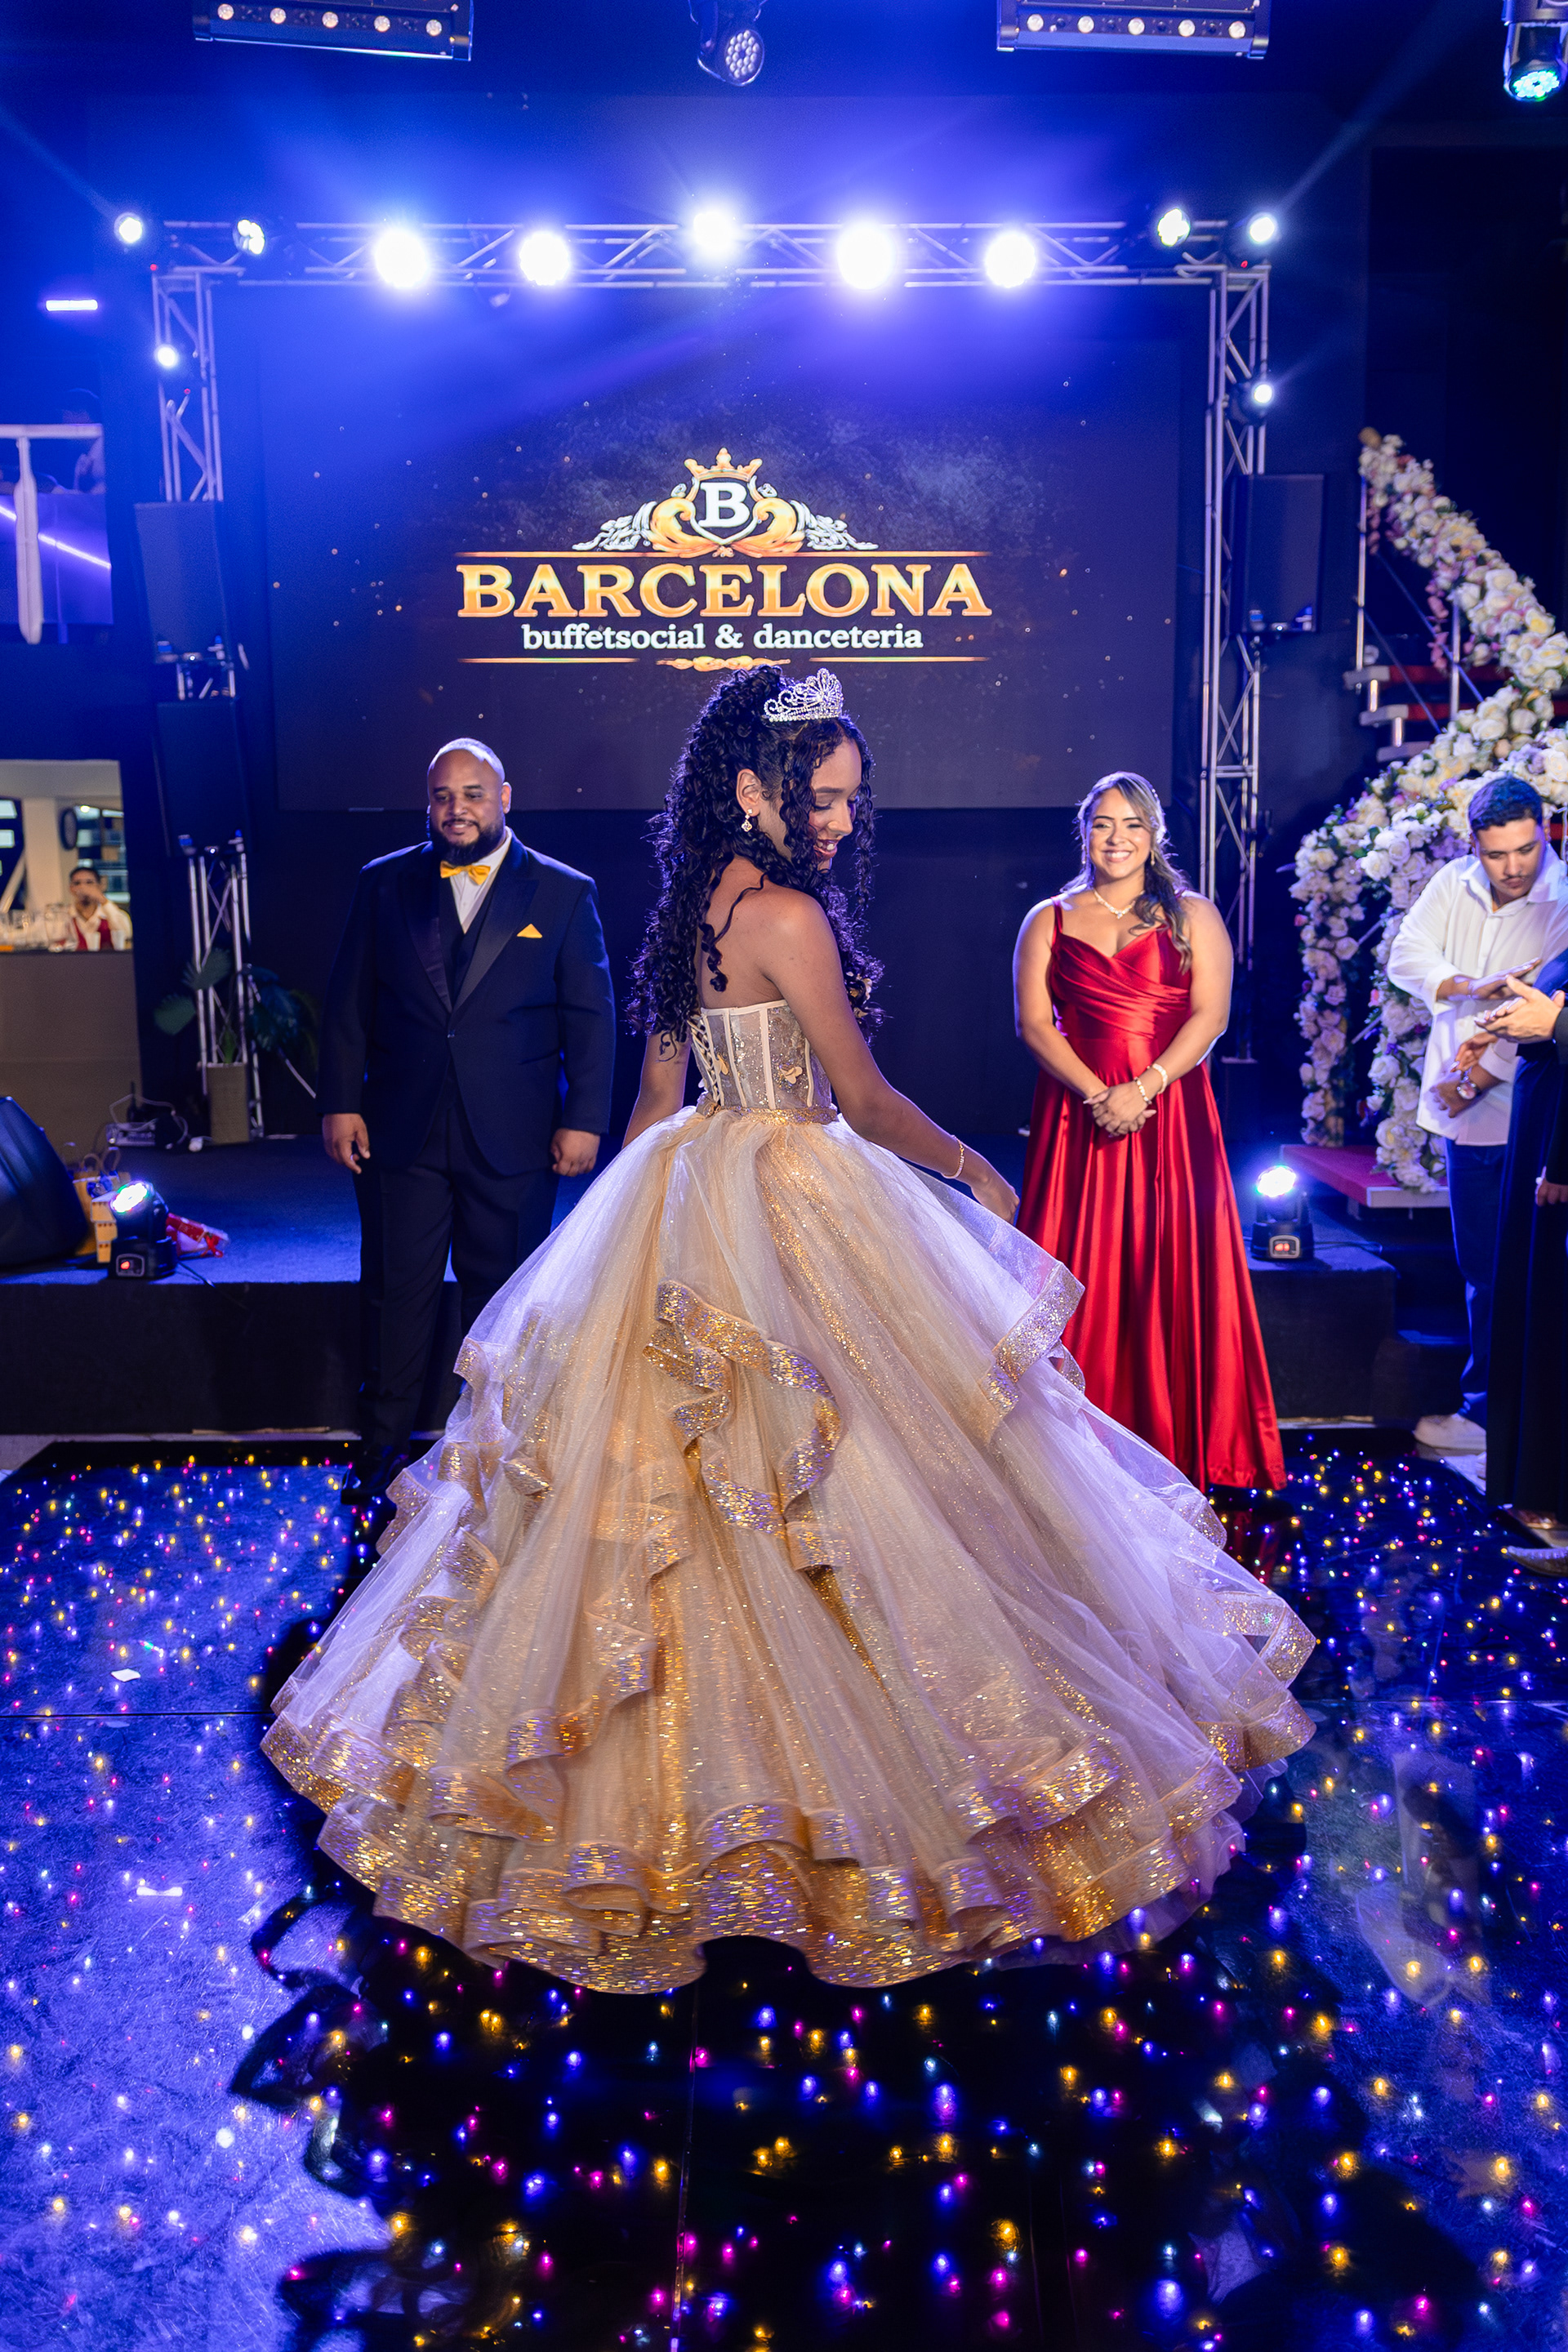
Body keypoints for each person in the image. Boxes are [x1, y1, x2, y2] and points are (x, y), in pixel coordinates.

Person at [264, 670, 1314, 1993]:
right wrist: (974, 1172)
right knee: (846, 1485)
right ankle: (835, 1829)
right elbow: (859, 1101)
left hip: (690, 1181)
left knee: (691, 1503)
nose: (838, 820)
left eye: (850, 801)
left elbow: (657, 1096)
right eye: (820, 797)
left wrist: (609, 1248)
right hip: (792, 1185)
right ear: (754, 787)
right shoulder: (791, 915)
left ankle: (674, 1829)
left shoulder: (695, 903)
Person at [318, 737, 615, 1521]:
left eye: (473, 794)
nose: (457, 809)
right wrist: (340, 1101)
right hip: (399, 1131)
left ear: (504, 797)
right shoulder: (383, 884)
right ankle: (379, 1456)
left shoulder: (563, 892)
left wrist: (584, 1119)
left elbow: (591, 1017)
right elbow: (347, 1003)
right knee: (395, 1297)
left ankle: (499, 1459)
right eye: (443, 796)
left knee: (505, 1301)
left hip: (514, 1136)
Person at [1013, 773, 1284, 1491]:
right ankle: (1068, 1458)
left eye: (1132, 824)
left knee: (1168, 1266)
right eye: (1103, 824)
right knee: (1079, 1267)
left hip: (1170, 1116)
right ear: (1084, 832)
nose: (1117, 838)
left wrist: (1145, 1087)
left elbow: (1211, 1016)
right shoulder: (1049, 919)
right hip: (1079, 1116)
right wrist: (1100, 1095)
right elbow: (1034, 1025)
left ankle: (1173, 1444)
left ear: (1154, 834)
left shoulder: (1192, 915)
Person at [1384, 772, 1568, 1454]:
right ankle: (1494, 1412)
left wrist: (1479, 1077)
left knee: (1520, 1273)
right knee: (1481, 1270)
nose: (1514, 867)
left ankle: (1502, 1419)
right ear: (1473, 846)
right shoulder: (1453, 882)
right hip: (1466, 1117)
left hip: (1530, 1115)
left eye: (1526, 849)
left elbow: (1549, 1013)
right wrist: (1468, 985)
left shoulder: (1562, 899)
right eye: (1497, 854)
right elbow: (1407, 957)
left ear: (1545, 832)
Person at [1454, 951, 1568, 1542]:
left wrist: (1556, 1026)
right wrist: (1510, 1030)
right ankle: (1538, 1487)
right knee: (1539, 1310)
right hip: (1544, 1125)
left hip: (1556, 1138)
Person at [63, 864, 131, 952]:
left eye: (89, 883)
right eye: (77, 883)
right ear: (71, 888)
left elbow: (126, 935)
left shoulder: (112, 914)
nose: (83, 887)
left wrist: (102, 899)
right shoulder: (63, 916)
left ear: (99, 886)